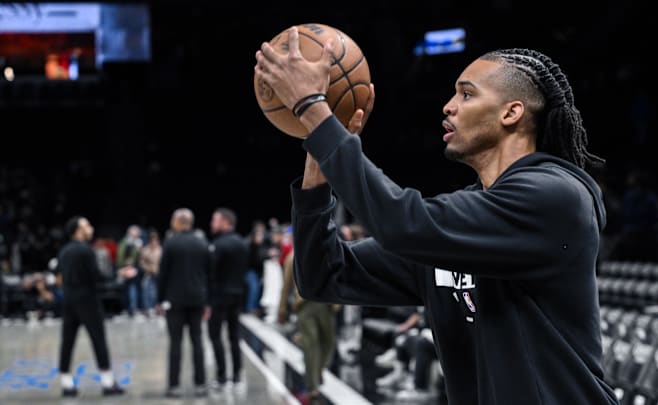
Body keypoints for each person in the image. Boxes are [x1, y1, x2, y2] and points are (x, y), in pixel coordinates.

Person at [255, 28, 618, 404]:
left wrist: (314, 108)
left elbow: (402, 223)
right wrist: (319, 165)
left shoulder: (554, 197)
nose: (448, 105)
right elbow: (323, 277)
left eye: (466, 93)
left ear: (512, 112)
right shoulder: (464, 219)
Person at [56, 216, 124, 397]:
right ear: (78, 231)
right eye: (87, 225)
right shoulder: (86, 251)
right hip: (88, 300)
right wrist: (118, 275)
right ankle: (108, 383)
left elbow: (59, 276)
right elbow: (97, 276)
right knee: (98, 340)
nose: (91, 228)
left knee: (67, 342)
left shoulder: (64, 251)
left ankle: (66, 383)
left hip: (69, 300)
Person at [156, 208, 211, 398]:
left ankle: (174, 386)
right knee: (197, 342)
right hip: (198, 299)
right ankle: (200, 384)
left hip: (175, 300)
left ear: (178, 222)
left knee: (176, 343)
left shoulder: (170, 243)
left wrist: (159, 300)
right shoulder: (202, 242)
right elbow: (208, 274)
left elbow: (163, 275)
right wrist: (207, 301)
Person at [278, 248, 338, 405]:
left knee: (328, 342)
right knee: (311, 345)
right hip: (305, 305)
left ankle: (317, 370)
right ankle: (313, 387)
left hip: (327, 304)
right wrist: (282, 308)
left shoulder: (328, 251)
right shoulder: (294, 256)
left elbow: (337, 276)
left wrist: (338, 303)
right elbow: (286, 284)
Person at [207, 207, 249, 393]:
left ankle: (222, 376)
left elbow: (211, 273)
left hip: (219, 296)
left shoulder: (218, 244)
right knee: (234, 337)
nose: (212, 223)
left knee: (215, 336)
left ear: (225, 222)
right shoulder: (242, 243)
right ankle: (238, 376)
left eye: (215, 220)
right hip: (238, 294)